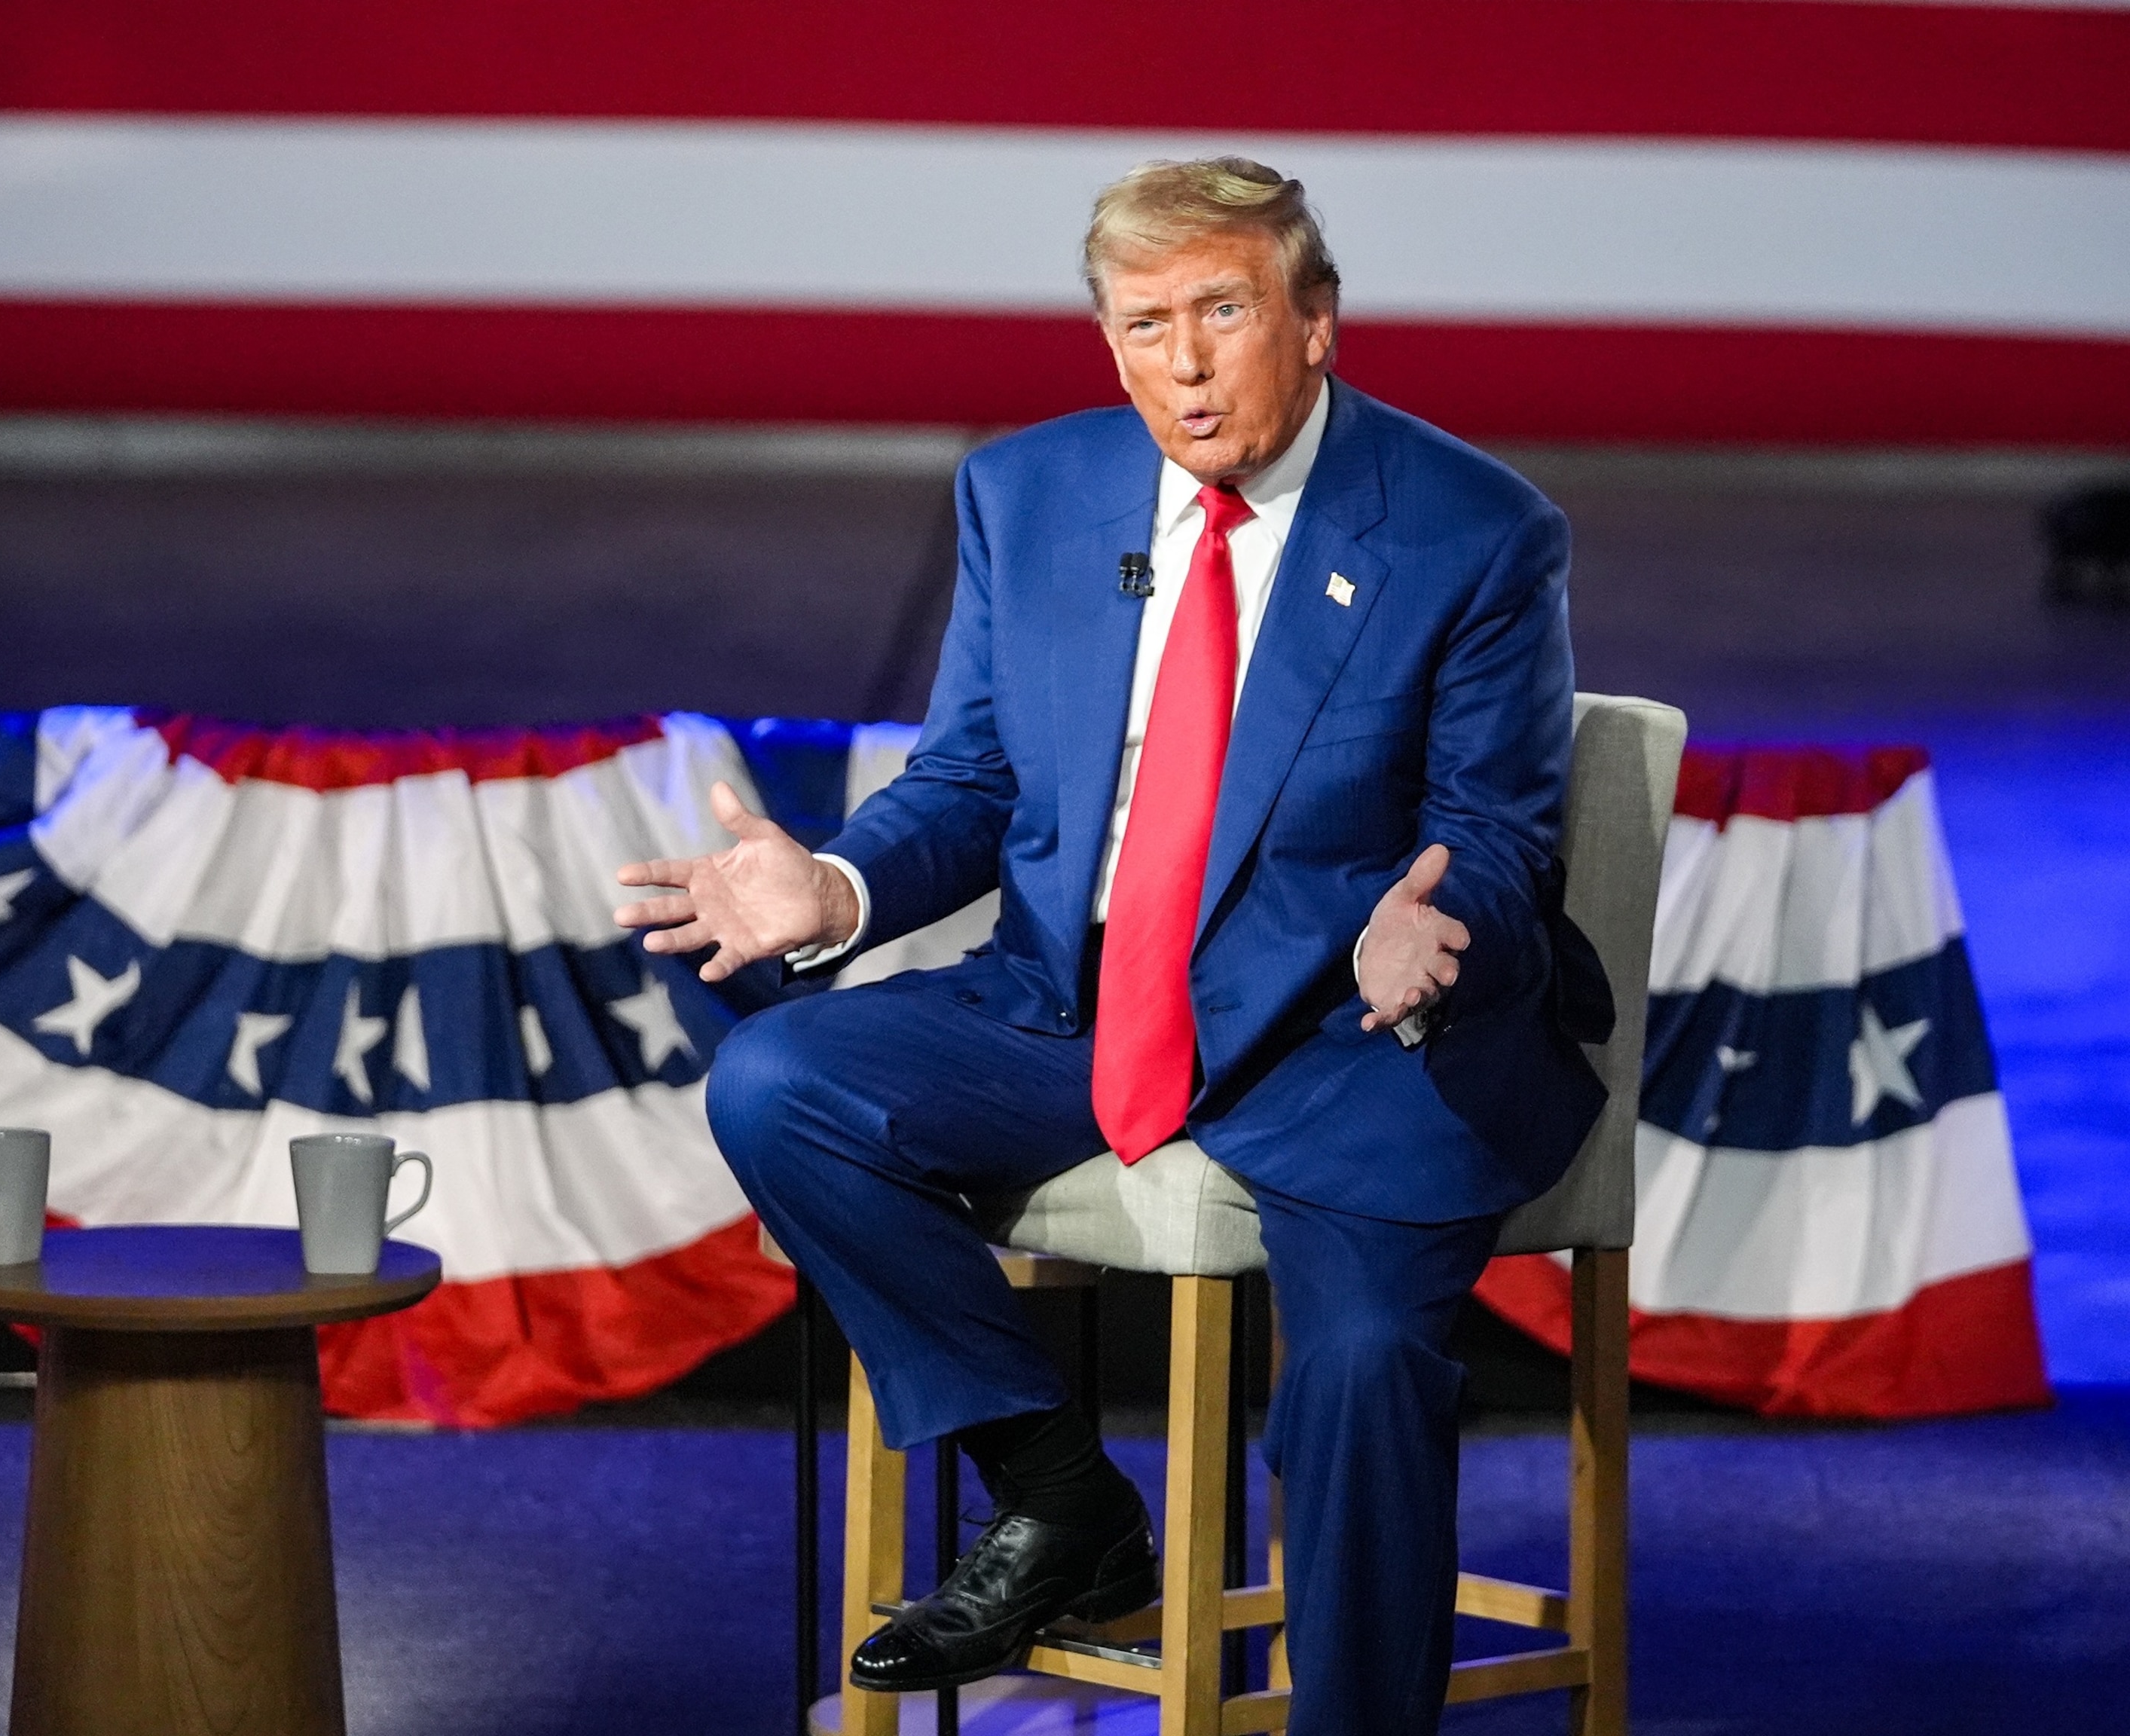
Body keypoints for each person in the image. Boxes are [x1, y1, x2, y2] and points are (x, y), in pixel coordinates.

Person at [615, 157, 1609, 1736]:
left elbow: (1496, 829)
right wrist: (845, 889)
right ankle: (1061, 1492)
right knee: (782, 1080)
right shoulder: (1034, 496)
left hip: (1342, 1043)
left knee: (1359, 1375)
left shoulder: (1470, 531)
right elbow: (975, 779)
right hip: (1076, 1006)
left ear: (1318, 320)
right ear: (1108, 342)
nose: (1188, 362)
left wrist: (1440, 918)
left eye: (1224, 311)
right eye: (1146, 325)